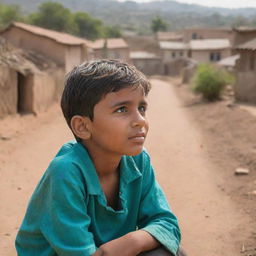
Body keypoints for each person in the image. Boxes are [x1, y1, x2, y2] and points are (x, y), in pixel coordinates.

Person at [15, 59, 182, 256]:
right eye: (122, 110)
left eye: (142, 108)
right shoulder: (66, 172)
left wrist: (133, 240)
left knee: (172, 252)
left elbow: (167, 225)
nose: (140, 121)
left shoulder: (138, 162)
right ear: (83, 127)